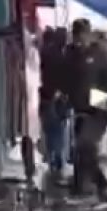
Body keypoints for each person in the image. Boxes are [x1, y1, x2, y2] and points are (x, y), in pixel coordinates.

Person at [63, 18, 107, 202]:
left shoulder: (102, 54)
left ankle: (102, 185)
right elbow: (66, 77)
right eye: (76, 38)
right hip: (79, 108)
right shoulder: (71, 54)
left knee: (86, 145)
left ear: (88, 35)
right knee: (79, 151)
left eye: (82, 37)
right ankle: (79, 188)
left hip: (99, 109)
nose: (79, 42)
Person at [39, 27, 69, 181]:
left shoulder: (45, 53)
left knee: (51, 132)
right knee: (58, 133)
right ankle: (58, 165)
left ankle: (52, 162)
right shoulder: (62, 56)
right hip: (57, 100)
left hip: (46, 98)